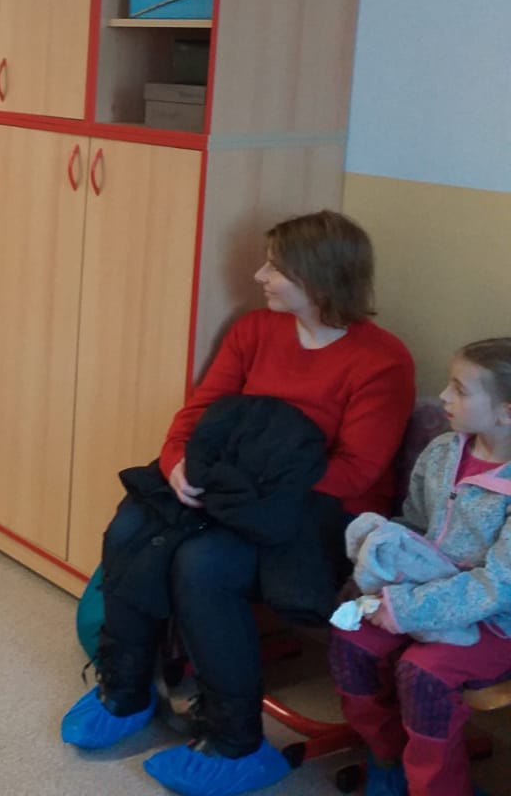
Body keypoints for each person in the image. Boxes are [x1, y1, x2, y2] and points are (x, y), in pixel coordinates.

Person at [61, 210, 415, 796]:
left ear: (319, 278)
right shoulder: (255, 330)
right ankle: (124, 689)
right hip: (232, 482)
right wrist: (176, 462)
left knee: (204, 564)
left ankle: (236, 742)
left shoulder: (383, 361)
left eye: (276, 268)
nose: (259, 276)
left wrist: (240, 494)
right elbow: (200, 410)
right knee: (132, 525)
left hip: (320, 509)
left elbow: (356, 471)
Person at [329, 338, 511, 796]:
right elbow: (411, 525)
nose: (443, 397)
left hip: (495, 621)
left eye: (460, 390)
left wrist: (405, 609)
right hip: (421, 592)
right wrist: (375, 574)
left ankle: (438, 788)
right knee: (351, 639)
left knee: (424, 675)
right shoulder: (443, 452)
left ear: (506, 412)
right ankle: (387, 756)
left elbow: (497, 587)